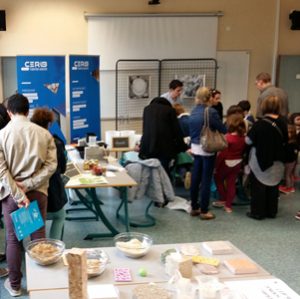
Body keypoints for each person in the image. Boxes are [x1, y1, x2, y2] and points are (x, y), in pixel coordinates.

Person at [0, 94, 57, 297]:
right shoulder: (44, 134)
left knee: (13, 240)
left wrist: (17, 192)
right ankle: (41, 285)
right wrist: (29, 185)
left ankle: (14, 286)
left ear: (9, 111)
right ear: (27, 110)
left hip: (11, 197)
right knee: (38, 236)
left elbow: (1, 171)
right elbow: (51, 166)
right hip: (38, 193)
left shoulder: (1, 135)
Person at [246, 95, 288, 220]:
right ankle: (271, 211)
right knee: (273, 187)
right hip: (278, 160)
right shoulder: (283, 122)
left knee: (258, 187)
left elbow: (248, 141)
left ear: (263, 106)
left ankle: (258, 212)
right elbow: (285, 139)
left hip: (260, 160)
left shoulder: (259, 124)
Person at [189, 87, 226, 220]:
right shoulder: (210, 112)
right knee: (206, 179)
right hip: (207, 147)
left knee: (195, 177)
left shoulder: (193, 111)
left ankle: (194, 207)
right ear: (209, 97)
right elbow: (222, 128)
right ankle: (204, 210)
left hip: (195, 146)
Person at [31, 108, 68, 240]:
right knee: (60, 216)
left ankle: (35, 249)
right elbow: (63, 168)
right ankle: (55, 245)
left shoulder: (29, 142)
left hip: (31, 189)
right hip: (53, 191)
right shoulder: (56, 142)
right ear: (49, 124)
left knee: (34, 222)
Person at [139, 97, 187, 178]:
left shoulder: (146, 110)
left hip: (148, 146)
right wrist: (182, 147)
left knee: (150, 171)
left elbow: (145, 129)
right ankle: (165, 188)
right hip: (165, 147)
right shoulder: (170, 110)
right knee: (164, 171)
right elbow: (176, 130)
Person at [213, 114, 246, 213]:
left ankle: (223, 198)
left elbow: (222, 154)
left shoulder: (227, 137)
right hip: (238, 162)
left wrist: (215, 166)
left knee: (218, 179)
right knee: (231, 183)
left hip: (225, 162)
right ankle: (228, 206)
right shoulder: (243, 138)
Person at [278, 123, 298, 194]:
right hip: (292, 161)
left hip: (289, 161)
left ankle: (288, 187)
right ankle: (291, 187)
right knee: (290, 174)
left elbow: (288, 153)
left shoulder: (290, 144)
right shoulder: (294, 142)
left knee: (287, 174)